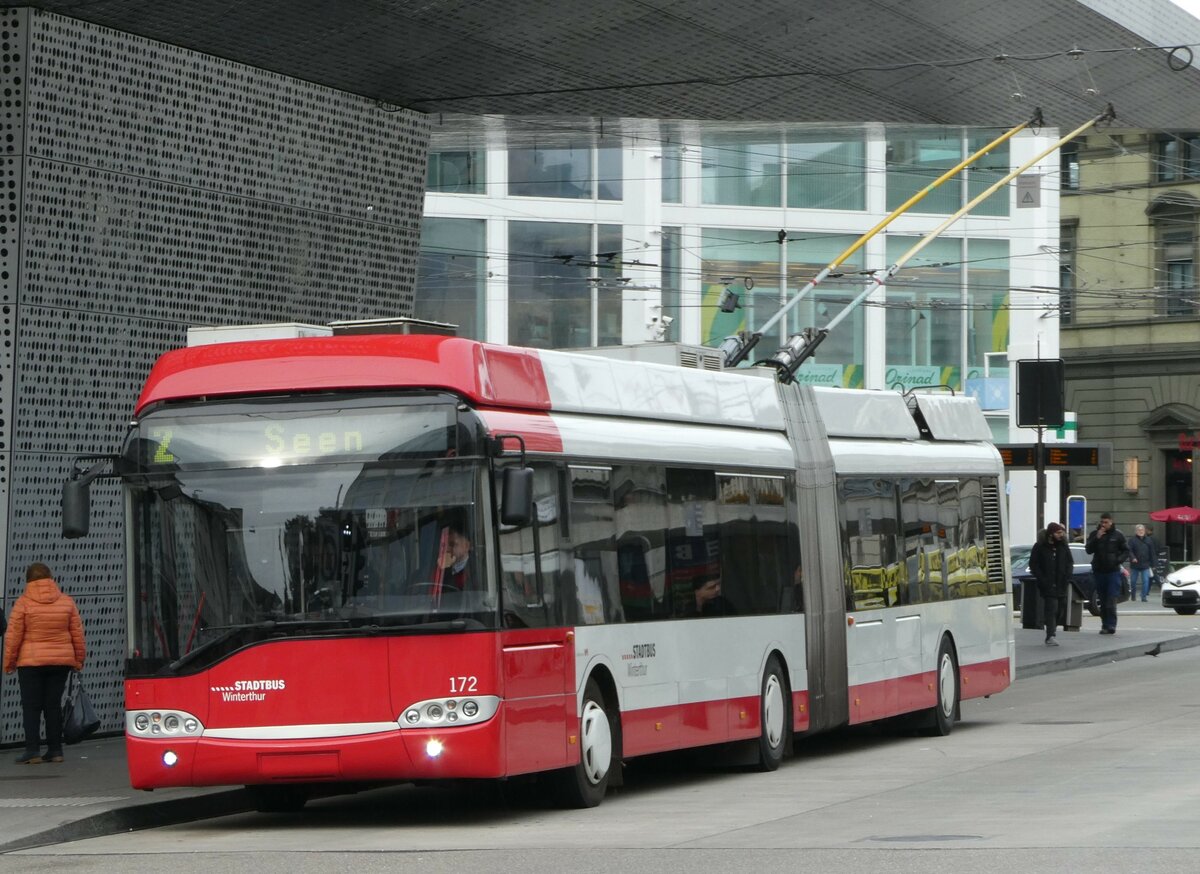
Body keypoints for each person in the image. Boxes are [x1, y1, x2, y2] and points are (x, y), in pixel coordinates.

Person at [3, 563, 86, 764]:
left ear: (28, 580)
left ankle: (32, 750)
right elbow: (77, 633)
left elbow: (13, 637)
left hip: (30, 663)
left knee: (31, 707)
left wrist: (9, 663)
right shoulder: (66, 602)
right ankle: (55, 750)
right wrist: (79, 659)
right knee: (53, 706)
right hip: (60, 662)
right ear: (50, 578)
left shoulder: (23, 603)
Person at [1085, 513, 1130, 635]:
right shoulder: (1096, 534)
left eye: (1106, 522)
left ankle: (1111, 625)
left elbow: (1126, 550)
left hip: (1113, 572)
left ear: (1111, 522)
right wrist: (1096, 538)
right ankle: (1105, 625)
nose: (1103, 525)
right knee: (1103, 600)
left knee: (1111, 599)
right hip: (1099, 571)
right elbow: (1088, 549)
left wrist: (1118, 560)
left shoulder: (1118, 535)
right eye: (1102, 522)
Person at [1031, 522, 1073, 646]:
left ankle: (1052, 626)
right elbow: (1033, 564)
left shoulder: (1063, 546)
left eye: (1062, 532)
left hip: (1061, 583)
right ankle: (1051, 635)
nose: (1061, 535)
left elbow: (1069, 562)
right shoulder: (1040, 547)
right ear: (1051, 534)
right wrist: (1042, 578)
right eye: (1058, 533)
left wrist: (1067, 576)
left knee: (1061, 608)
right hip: (1048, 584)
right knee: (1052, 608)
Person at [1128, 524, 1156, 603]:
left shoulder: (1148, 540)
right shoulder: (1132, 540)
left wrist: (1153, 564)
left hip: (1145, 564)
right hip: (1135, 564)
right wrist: (1133, 557)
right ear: (1136, 531)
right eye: (1139, 530)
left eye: (1142, 530)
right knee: (1133, 581)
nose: (1141, 532)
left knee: (1146, 581)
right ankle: (1133, 594)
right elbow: (1129, 551)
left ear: (1144, 531)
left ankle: (1143, 596)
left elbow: (1152, 552)